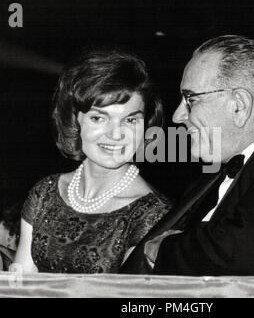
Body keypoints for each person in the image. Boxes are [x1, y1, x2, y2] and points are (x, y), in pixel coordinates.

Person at [120, 35, 254, 277]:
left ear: (239, 105)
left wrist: (161, 251)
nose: (178, 116)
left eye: (191, 99)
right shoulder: (207, 183)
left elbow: (246, 253)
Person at [13, 50, 171, 273]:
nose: (116, 135)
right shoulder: (45, 193)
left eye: (130, 120)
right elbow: (22, 282)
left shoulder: (152, 215)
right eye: (99, 118)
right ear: (75, 121)